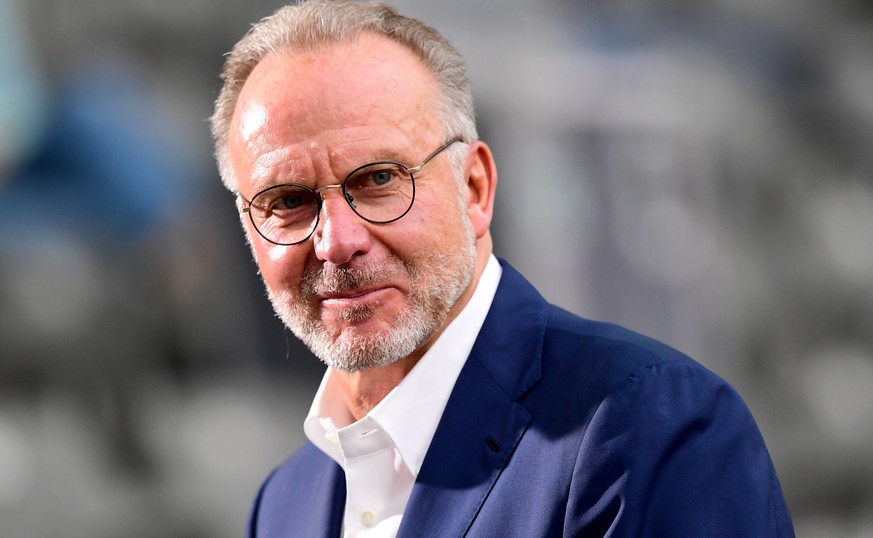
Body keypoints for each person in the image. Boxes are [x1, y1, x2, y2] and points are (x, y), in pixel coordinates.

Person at [209, 1, 795, 536]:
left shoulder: (648, 427)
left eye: (380, 179)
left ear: (474, 188)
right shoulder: (282, 505)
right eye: (287, 201)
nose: (337, 241)